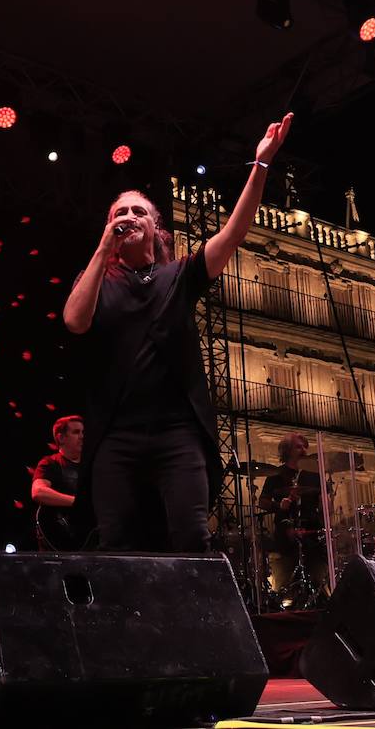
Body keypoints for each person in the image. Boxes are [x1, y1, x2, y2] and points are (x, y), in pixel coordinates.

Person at [63, 113, 292, 552]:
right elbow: (75, 321)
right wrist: (102, 248)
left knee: (190, 536)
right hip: (117, 434)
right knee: (116, 542)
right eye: (119, 212)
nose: (128, 216)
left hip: (176, 431)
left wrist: (261, 165)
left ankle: (197, 619)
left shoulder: (180, 275)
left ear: (155, 226)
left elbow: (234, 232)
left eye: (137, 211)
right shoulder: (98, 279)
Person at [259, 433, 328, 603]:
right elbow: (263, 501)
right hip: (286, 535)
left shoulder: (314, 475)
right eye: (299, 446)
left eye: (305, 446)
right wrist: (278, 505)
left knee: (319, 582)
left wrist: (326, 503)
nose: (304, 450)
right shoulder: (276, 475)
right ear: (287, 450)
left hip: (312, 535)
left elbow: (324, 503)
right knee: (284, 585)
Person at [31, 415, 85, 550]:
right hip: (62, 537)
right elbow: (38, 492)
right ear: (61, 438)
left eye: (83, 432)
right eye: (76, 432)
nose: (82, 436)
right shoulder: (50, 463)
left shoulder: (92, 465)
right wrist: (77, 502)